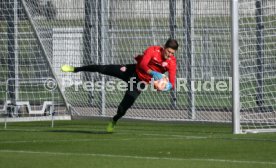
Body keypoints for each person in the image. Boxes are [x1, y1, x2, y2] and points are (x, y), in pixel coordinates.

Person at [61, 38, 178, 133]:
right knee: (103, 68)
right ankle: (75, 69)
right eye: (168, 51)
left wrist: (165, 87)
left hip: (140, 83)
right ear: (164, 47)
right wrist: (153, 73)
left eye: (172, 53)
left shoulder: (171, 62)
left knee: (124, 106)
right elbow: (142, 64)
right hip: (131, 71)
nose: (169, 55)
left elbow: (172, 83)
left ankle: (114, 120)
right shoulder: (153, 50)